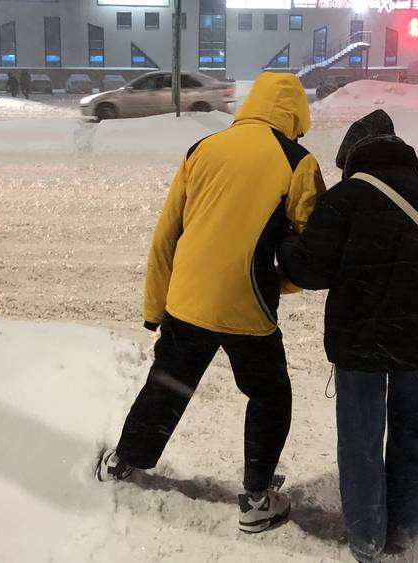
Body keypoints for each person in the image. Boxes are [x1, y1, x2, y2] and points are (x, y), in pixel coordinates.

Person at [95, 72, 327, 534]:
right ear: (296, 113)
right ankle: (256, 497)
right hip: (247, 303)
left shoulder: (202, 149)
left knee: (169, 384)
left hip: (187, 300)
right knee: (269, 393)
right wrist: (278, 282)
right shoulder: (298, 161)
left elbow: (166, 235)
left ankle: (126, 461)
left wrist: (154, 308)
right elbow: (312, 247)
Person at [278, 110, 418, 562]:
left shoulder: (346, 198)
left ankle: (366, 538)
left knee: (360, 439)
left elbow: (311, 268)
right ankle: (404, 530)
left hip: (360, 342)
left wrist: (285, 243)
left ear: (352, 159)